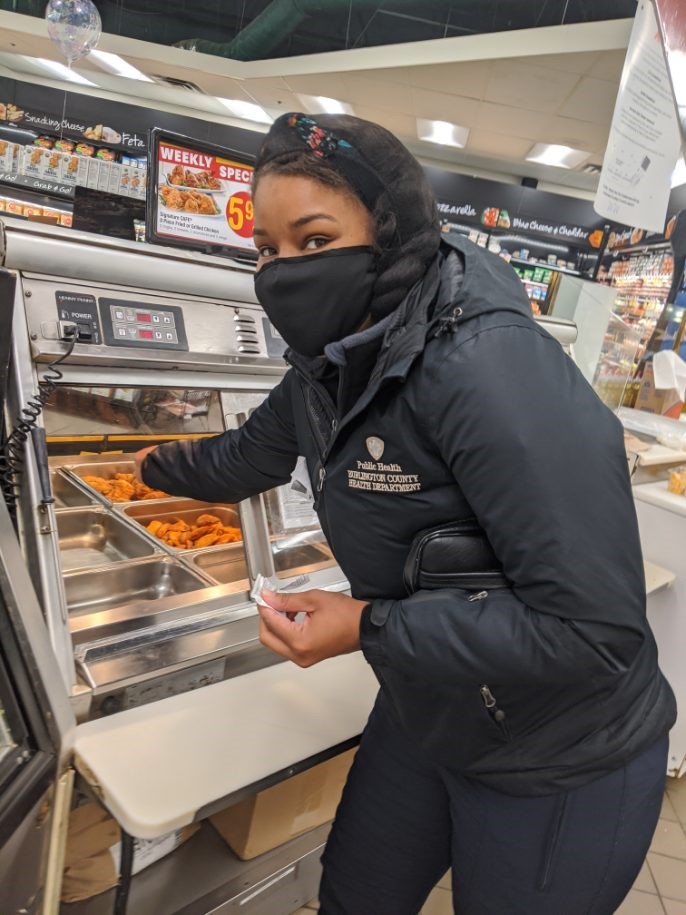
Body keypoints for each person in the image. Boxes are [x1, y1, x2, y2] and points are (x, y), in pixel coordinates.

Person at [136, 113, 676, 915]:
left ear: (389, 233)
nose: (284, 274)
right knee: (354, 896)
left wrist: (367, 626)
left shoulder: (487, 367)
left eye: (314, 241)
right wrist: (135, 466)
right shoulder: (331, 363)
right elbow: (247, 456)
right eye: (268, 250)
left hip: (558, 753)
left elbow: (593, 633)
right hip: (430, 706)